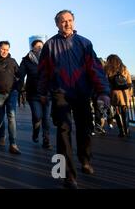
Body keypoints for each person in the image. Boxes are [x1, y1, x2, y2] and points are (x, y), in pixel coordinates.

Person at [37, 10, 110, 189]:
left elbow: (95, 69)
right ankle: (66, 174)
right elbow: (43, 72)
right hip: (60, 92)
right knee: (63, 131)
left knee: (84, 129)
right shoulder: (50, 45)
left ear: (74, 22)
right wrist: (42, 92)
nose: (67, 24)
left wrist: (103, 92)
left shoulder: (84, 43)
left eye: (70, 20)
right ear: (57, 24)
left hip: (82, 92)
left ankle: (85, 160)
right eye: (63, 21)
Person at [18, 39, 52, 149]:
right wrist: (18, 87)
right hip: (33, 93)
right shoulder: (26, 60)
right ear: (32, 48)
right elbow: (21, 75)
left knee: (46, 118)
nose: (40, 48)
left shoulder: (48, 59)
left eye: (42, 46)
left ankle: (46, 140)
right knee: (37, 116)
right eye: (38, 46)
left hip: (47, 93)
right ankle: (36, 132)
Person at [104, 54, 132, 137]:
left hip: (114, 93)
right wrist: (129, 94)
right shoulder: (124, 68)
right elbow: (129, 81)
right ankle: (127, 129)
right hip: (124, 94)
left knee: (117, 112)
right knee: (125, 112)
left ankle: (121, 131)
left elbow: (105, 82)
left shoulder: (107, 69)